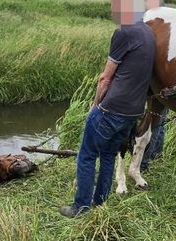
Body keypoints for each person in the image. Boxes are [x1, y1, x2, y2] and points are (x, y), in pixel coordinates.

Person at [60, 0, 159, 218]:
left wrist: (95, 106)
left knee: (86, 156)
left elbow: (105, 78)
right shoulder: (149, 33)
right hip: (133, 112)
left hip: (111, 109)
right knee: (107, 156)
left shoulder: (123, 33)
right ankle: (100, 203)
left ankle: (80, 207)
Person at [140, 106, 168, 172]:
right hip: (167, 99)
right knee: (159, 124)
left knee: (154, 126)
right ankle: (156, 155)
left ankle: (143, 164)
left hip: (161, 98)